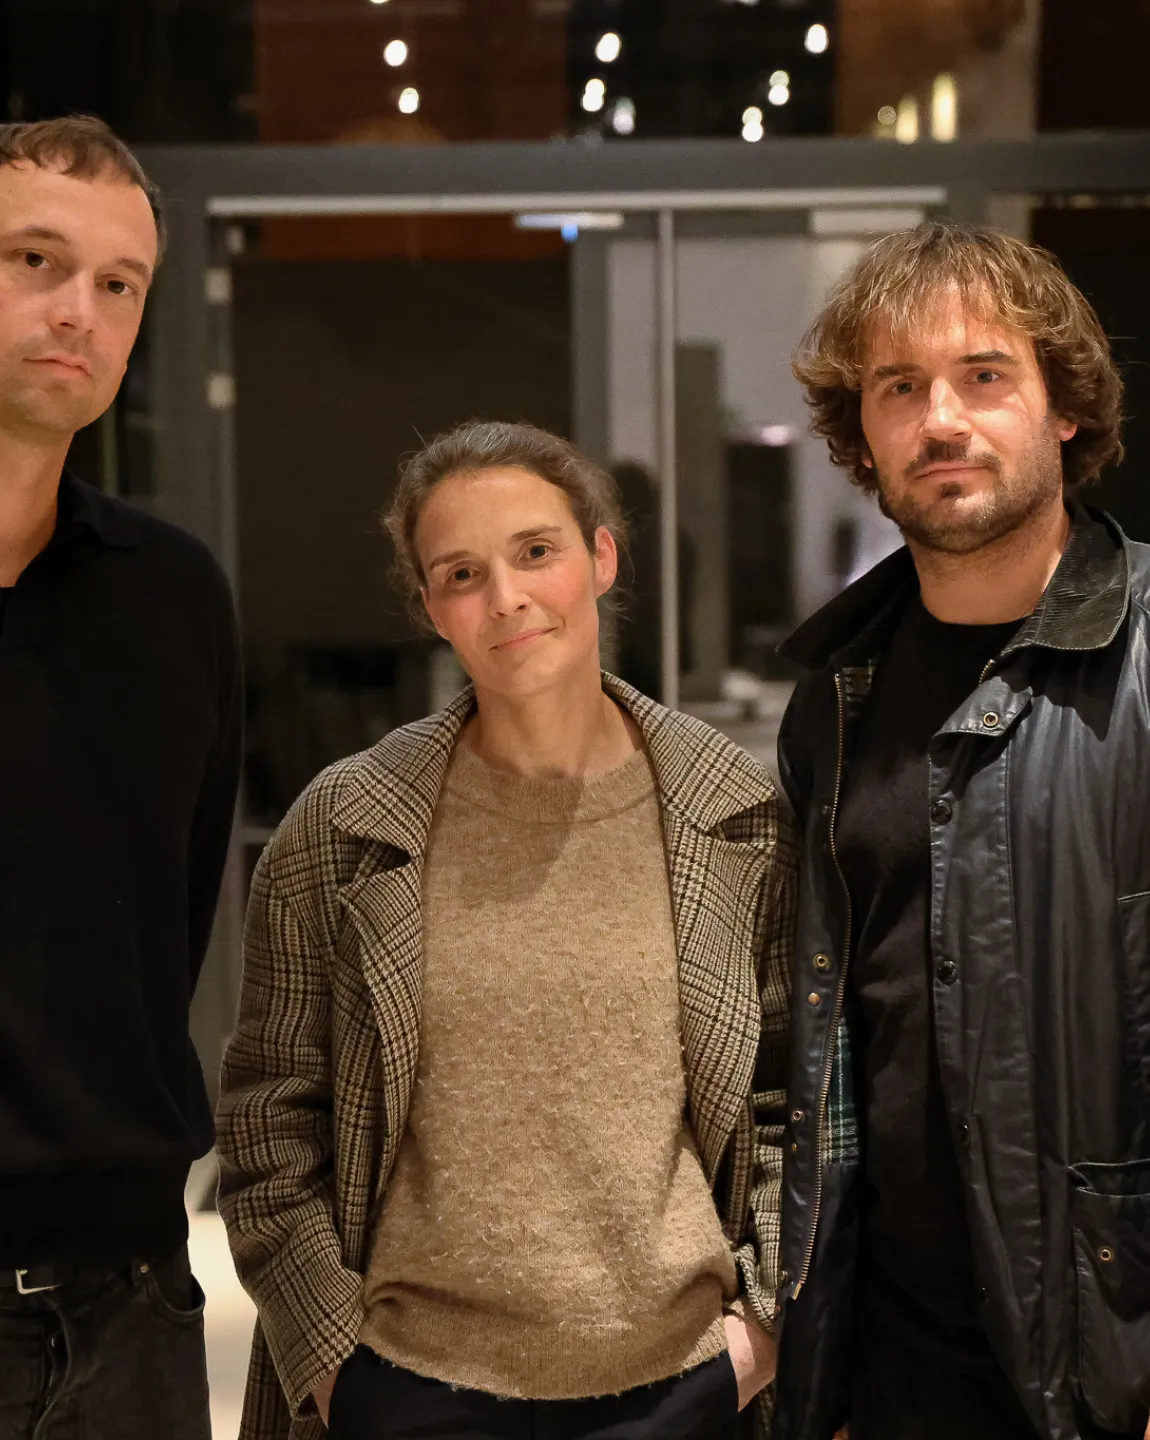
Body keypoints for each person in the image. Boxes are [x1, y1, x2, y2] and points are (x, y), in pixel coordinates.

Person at [216, 419, 795, 1440]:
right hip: (411, 1389)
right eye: (462, 573)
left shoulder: (736, 818)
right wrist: (340, 1376)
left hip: (682, 1388)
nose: (508, 599)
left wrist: (755, 1341)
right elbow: (268, 1127)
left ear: (601, 556)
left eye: (537, 552)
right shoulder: (344, 827)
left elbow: (792, 1101)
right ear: (431, 606)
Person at [771, 219, 1150, 1440]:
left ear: (1065, 411)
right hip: (890, 1363)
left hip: (1108, 1358)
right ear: (863, 435)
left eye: (984, 375)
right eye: (899, 387)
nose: (941, 419)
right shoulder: (832, 695)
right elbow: (822, 1043)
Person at [0, 117, 242, 1440]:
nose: (75, 310)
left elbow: (173, 913)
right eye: (34, 258)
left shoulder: (172, 598)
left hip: (134, 1294)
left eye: (116, 283)